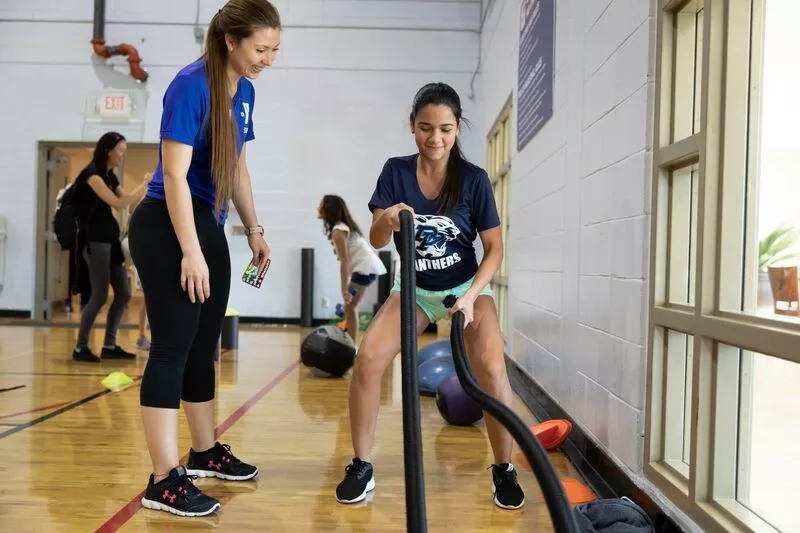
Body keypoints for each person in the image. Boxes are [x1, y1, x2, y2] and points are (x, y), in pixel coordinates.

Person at [335, 82, 525, 510]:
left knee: (493, 371)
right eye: (425, 128)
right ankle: (361, 465)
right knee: (367, 361)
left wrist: (473, 296)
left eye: (445, 129)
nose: (434, 139)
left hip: (466, 290)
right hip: (415, 291)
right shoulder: (395, 171)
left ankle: (504, 470)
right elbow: (380, 239)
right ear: (412, 128)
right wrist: (389, 216)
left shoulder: (473, 180)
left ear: (457, 129)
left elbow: (495, 250)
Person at [127, 0, 279, 517]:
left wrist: (254, 229)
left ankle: (203, 452)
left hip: (208, 221)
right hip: (167, 223)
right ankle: (163, 480)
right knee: (171, 345)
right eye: (262, 48)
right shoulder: (190, 85)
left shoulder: (247, 91)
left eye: (275, 49)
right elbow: (172, 175)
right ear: (230, 41)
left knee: (203, 344)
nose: (268, 59)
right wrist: (190, 251)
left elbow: (235, 166)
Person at [70, 131, 150, 363]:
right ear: (108, 150)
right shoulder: (92, 177)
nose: (123, 156)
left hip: (111, 242)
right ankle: (80, 347)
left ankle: (109, 345)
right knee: (100, 295)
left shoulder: (110, 177)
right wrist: (143, 184)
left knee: (124, 293)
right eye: (121, 151)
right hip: (95, 243)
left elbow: (130, 203)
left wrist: (149, 187)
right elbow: (117, 203)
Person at [317, 194, 387, 341]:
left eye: (321, 205)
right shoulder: (340, 228)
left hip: (364, 268)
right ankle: (350, 343)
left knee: (350, 307)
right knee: (350, 308)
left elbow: (344, 261)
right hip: (363, 267)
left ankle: (351, 345)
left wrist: (344, 289)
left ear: (328, 209)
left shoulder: (338, 230)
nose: (318, 207)